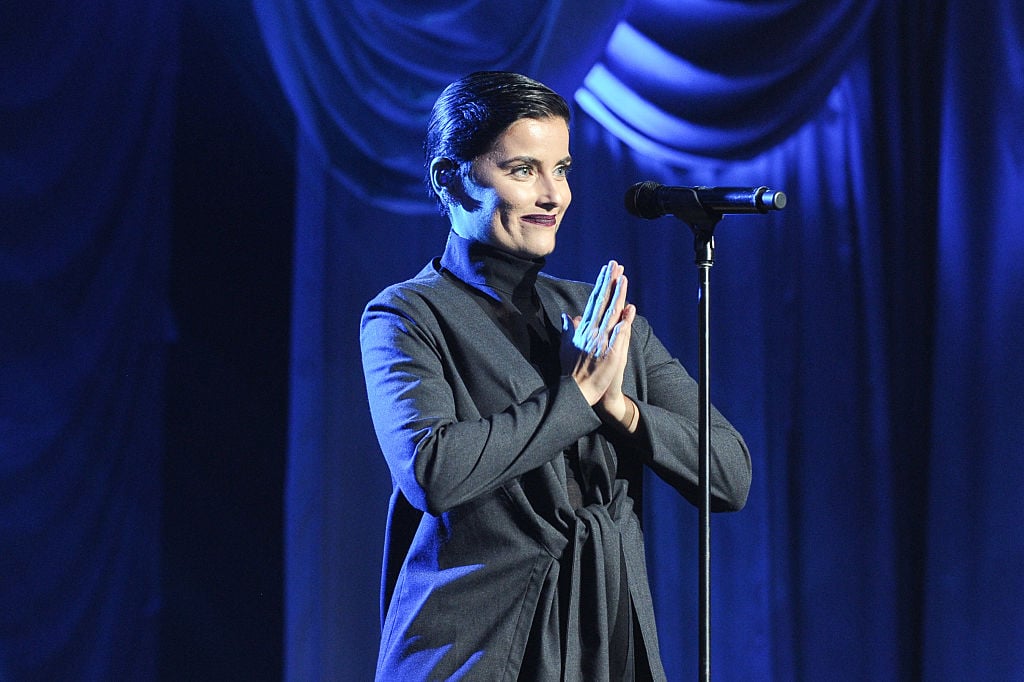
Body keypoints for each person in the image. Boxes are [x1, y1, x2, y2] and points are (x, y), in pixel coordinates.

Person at [360, 71, 751, 681]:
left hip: (605, 644)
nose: (554, 195)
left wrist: (621, 408)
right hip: (479, 651)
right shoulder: (409, 314)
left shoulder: (598, 315)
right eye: (523, 170)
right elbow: (431, 470)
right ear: (451, 179)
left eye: (562, 169)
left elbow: (730, 475)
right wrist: (578, 397)